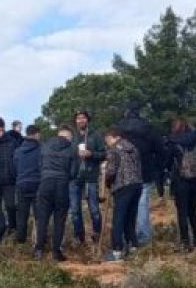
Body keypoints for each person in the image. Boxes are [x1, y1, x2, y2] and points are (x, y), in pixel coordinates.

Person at [33, 126, 79, 261]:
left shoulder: (45, 146)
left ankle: (39, 250)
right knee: (59, 220)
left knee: (42, 219)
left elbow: (39, 165)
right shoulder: (72, 150)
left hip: (45, 184)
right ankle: (56, 252)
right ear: (68, 136)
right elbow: (74, 172)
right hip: (61, 186)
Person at [120, 107, 165, 246]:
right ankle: (143, 237)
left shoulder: (120, 130)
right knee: (142, 204)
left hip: (124, 173)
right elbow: (161, 150)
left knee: (124, 206)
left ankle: (126, 237)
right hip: (145, 171)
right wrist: (157, 168)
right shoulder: (148, 129)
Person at [165, 118, 196, 252]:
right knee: (193, 211)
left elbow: (167, 162)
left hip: (181, 181)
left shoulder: (173, 143)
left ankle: (185, 242)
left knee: (182, 213)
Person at [103, 126, 143, 262]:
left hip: (122, 185)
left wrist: (107, 181)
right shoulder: (132, 147)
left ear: (111, 137)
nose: (107, 143)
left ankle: (117, 251)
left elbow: (111, 170)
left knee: (118, 219)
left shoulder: (114, 149)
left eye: (107, 140)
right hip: (137, 184)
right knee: (130, 217)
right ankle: (133, 246)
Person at [70, 110, 105, 246]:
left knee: (94, 209)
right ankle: (79, 237)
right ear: (75, 121)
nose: (81, 120)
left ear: (87, 120)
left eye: (83, 117)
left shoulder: (95, 135)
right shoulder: (72, 136)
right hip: (75, 177)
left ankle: (97, 234)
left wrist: (91, 154)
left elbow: (103, 154)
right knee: (75, 210)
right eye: (78, 118)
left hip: (91, 176)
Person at [13, 124, 42, 245]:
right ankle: (39, 240)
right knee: (39, 214)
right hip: (37, 184)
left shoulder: (18, 151)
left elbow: (14, 168)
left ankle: (21, 240)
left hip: (21, 183)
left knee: (22, 214)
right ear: (36, 134)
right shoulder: (41, 149)